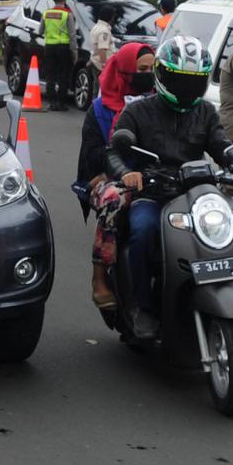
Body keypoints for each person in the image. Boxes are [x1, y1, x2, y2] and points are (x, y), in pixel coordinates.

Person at [105, 36, 233, 339]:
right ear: (162, 75)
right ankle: (143, 307)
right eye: (178, 79)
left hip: (195, 197)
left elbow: (220, 145)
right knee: (142, 232)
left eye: (193, 81)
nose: (185, 87)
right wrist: (127, 173)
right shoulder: (138, 111)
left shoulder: (204, 111)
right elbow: (113, 150)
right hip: (152, 195)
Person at [76, 43, 155, 309]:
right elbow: (93, 154)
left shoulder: (158, 104)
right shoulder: (99, 110)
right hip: (108, 178)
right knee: (113, 199)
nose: (149, 75)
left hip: (153, 178)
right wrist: (118, 171)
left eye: (153, 69)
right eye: (142, 69)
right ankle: (99, 276)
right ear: (124, 70)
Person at [41, 0, 78, 112]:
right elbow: (72, 35)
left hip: (49, 47)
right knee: (64, 75)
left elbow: (40, 31)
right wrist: (74, 51)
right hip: (63, 48)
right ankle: (61, 103)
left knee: (50, 76)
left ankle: (52, 102)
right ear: (64, 0)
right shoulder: (67, 14)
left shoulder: (46, 13)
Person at [89, 5, 116, 73]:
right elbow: (102, 50)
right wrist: (105, 66)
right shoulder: (104, 31)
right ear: (110, 17)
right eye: (113, 16)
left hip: (95, 63)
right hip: (101, 66)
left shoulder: (96, 27)